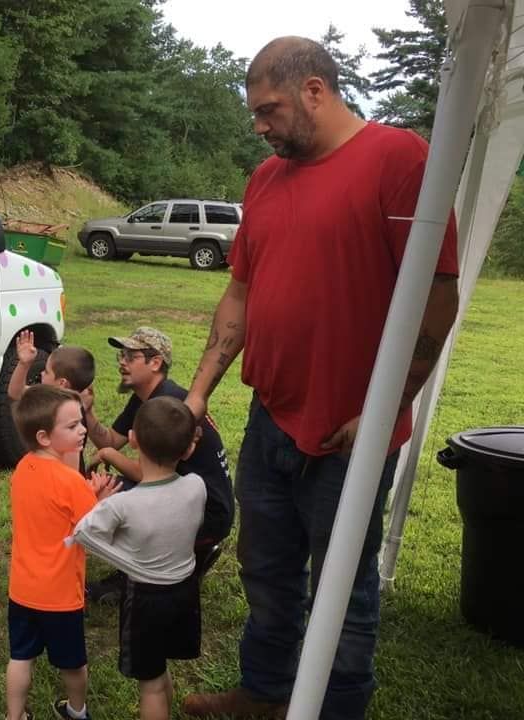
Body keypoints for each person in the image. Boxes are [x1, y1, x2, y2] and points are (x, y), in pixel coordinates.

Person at [181, 37, 459, 720]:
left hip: (351, 436)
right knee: (265, 570)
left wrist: (387, 406)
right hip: (271, 417)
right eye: (255, 114)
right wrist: (196, 391)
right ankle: (265, 694)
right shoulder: (264, 179)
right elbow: (240, 295)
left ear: (315, 90)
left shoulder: (400, 160)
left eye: (269, 109)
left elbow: (437, 296)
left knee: (344, 590)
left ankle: (337, 711)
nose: (260, 126)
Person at [69, 397, 206, 720]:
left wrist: (127, 559)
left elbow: (84, 533)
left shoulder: (123, 505)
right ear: (188, 450)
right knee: (160, 671)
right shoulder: (197, 486)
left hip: (147, 599)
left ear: (132, 440)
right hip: (185, 591)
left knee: (151, 683)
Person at [83, 326, 233, 602]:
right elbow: (111, 439)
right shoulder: (145, 399)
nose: (122, 362)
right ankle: (189, 557)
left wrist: (108, 456)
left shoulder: (168, 403)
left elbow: (146, 474)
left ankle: (138, 575)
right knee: (117, 490)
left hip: (208, 513)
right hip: (190, 497)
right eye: (121, 355)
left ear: (155, 363)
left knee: (117, 499)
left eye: (131, 355)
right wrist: (88, 412)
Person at [6, 385, 118, 720]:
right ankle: (76, 710)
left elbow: (52, 512)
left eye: (81, 421)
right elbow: (93, 531)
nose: (83, 429)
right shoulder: (71, 483)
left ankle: (14, 716)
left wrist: (88, 497)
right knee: (73, 662)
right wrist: (100, 500)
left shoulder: (23, 468)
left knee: (20, 658)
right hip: (60, 596)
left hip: (23, 590)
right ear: (43, 436)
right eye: (72, 426)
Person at [7, 329, 96, 473]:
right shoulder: (48, 396)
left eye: (47, 371)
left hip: (63, 483)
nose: (42, 373)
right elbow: (15, 393)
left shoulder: (71, 419)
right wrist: (24, 364)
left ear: (62, 383)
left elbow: (71, 470)